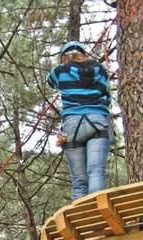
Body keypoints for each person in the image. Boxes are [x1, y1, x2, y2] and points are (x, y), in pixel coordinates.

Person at [46, 40, 113, 199]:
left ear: (64, 56)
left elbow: (50, 81)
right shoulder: (100, 70)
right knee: (96, 172)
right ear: (84, 53)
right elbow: (107, 96)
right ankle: (100, 215)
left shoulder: (60, 71)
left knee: (79, 181)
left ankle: (82, 222)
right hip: (97, 121)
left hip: (72, 126)